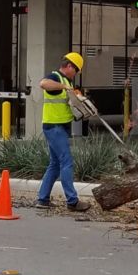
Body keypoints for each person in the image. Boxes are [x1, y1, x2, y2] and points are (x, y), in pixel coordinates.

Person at [36, 51, 90, 212]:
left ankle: (42, 199)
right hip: (54, 127)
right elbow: (43, 84)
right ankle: (72, 201)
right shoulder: (56, 78)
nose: (76, 74)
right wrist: (65, 87)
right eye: (76, 70)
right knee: (66, 162)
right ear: (69, 66)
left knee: (55, 164)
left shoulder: (67, 81)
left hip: (59, 127)